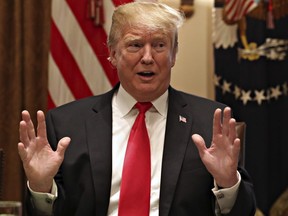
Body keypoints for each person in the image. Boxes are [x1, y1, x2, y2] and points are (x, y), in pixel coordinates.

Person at [18, 2, 256, 216]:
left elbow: (243, 211)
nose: (148, 57)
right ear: (112, 53)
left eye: (160, 45)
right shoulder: (66, 124)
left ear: (174, 54)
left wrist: (228, 184)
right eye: (135, 45)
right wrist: (41, 188)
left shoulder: (211, 122)